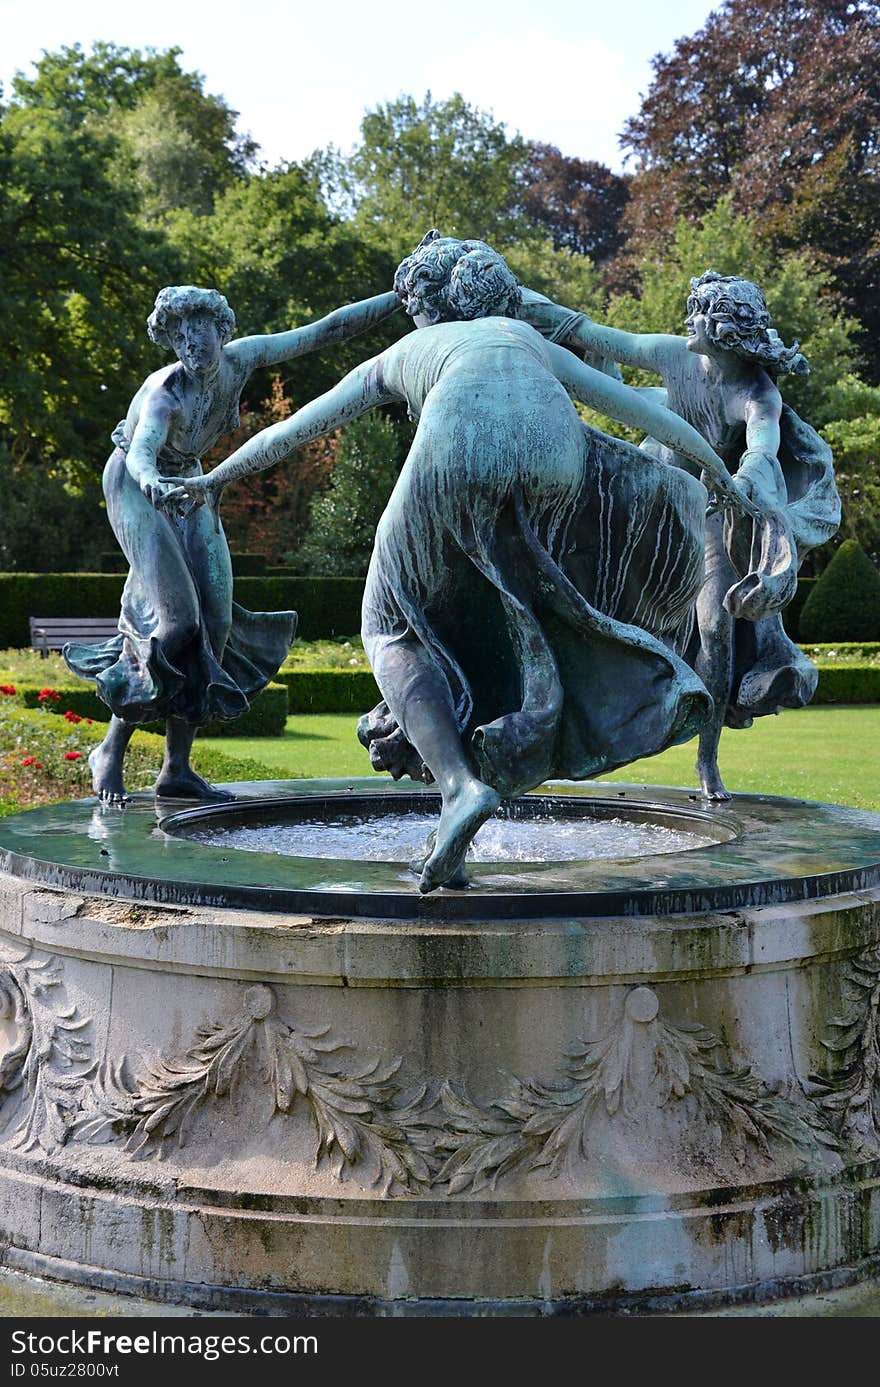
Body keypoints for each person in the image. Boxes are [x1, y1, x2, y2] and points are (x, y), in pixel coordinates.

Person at [174, 242, 758, 891]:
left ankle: (459, 787)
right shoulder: (528, 338)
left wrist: (217, 477)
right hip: (555, 459)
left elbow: (304, 424)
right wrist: (719, 475)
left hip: (462, 443)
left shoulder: (416, 348)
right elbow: (635, 412)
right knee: (501, 599)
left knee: (387, 622)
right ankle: (508, 729)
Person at [64, 283, 400, 803]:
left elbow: (323, 331)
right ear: (174, 343)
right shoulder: (163, 394)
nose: (195, 353)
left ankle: (176, 769)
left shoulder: (242, 361)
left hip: (191, 483)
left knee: (215, 625)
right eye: (183, 344)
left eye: (203, 341)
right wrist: (150, 479)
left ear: (222, 334)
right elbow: (142, 452)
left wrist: (397, 297)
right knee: (177, 622)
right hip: (136, 488)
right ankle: (109, 749)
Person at [552, 270, 840, 797]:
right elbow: (595, 335)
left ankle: (706, 758)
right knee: (576, 569)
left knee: (717, 628)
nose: (689, 317)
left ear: (724, 328)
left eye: (699, 309)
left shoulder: (757, 394)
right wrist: (525, 311)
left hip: (712, 508)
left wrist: (751, 471)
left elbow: (762, 443)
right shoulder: (675, 356)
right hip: (650, 491)